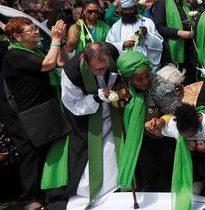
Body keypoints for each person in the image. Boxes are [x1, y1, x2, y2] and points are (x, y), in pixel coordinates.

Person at [2, 18, 68, 210]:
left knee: (43, 152)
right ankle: (29, 199)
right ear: (17, 37)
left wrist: (61, 42)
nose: (36, 32)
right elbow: (47, 65)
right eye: (31, 30)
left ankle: (45, 193)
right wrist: (54, 40)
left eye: (35, 29)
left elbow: (61, 62)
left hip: (42, 111)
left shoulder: (34, 51)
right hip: (24, 115)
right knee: (30, 155)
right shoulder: (14, 55)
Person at [60, 42, 125, 208]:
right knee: (89, 155)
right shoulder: (71, 72)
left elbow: (120, 71)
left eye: (105, 67)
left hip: (112, 113)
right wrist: (98, 97)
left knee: (112, 151)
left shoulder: (111, 51)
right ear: (87, 62)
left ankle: (115, 186)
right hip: (87, 117)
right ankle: (88, 191)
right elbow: (72, 103)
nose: (102, 72)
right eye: (97, 70)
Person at [115, 51, 182, 193]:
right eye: (139, 79)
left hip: (160, 136)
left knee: (162, 169)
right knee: (143, 169)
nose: (145, 81)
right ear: (128, 78)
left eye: (147, 76)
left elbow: (176, 111)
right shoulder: (122, 84)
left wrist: (161, 122)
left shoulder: (161, 88)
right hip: (136, 133)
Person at [161, 103, 205, 209]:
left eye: (190, 135)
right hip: (189, 162)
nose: (186, 137)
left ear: (198, 124)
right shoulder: (175, 123)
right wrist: (154, 126)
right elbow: (161, 132)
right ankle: (197, 183)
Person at [153, 0, 196, 85]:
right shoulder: (162, 4)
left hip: (186, 50)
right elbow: (158, 26)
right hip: (170, 51)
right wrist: (178, 32)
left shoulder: (186, 5)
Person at [106, 0, 163, 71]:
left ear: (135, 8)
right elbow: (109, 46)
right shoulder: (115, 27)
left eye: (131, 9)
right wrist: (122, 44)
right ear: (121, 9)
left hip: (145, 66)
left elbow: (159, 44)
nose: (128, 12)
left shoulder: (147, 22)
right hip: (126, 66)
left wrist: (147, 34)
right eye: (125, 9)